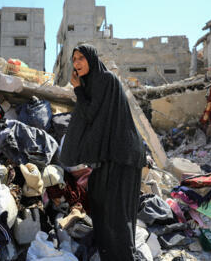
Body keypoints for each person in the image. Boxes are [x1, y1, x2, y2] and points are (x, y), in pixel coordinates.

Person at [60, 44, 145, 261]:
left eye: (81, 58)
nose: (77, 63)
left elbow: (90, 114)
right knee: (100, 206)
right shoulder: (92, 84)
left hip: (121, 155)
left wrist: (78, 89)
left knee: (116, 214)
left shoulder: (105, 80)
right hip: (107, 157)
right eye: (74, 59)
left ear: (92, 59)